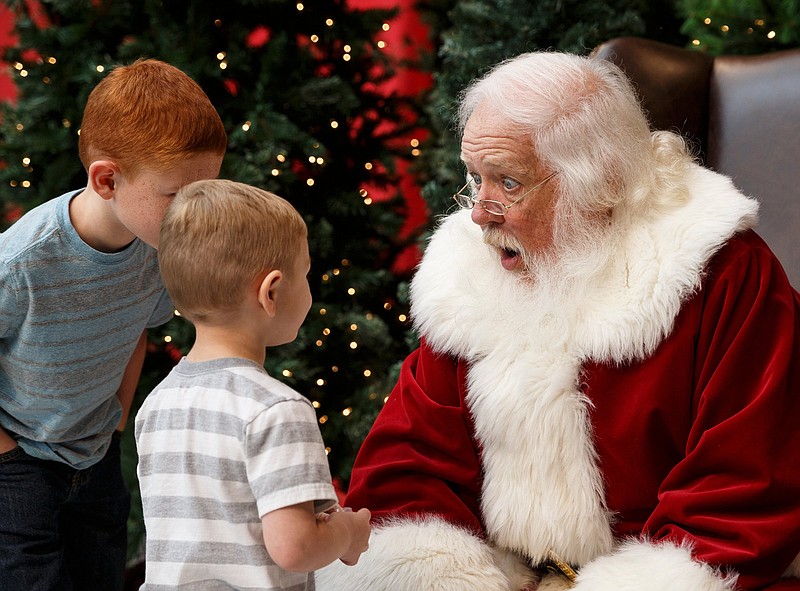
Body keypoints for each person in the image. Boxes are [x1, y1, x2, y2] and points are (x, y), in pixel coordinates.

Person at [316, 51, 800, 591]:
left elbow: (745, 487)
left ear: (600, 184)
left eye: (509, 183)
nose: (479, 211)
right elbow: (411, 470)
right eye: (475, 178)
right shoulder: (468, 275)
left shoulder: (723, 274)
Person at [0, 59, 227, 591]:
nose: (194, 213)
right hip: (17, 465)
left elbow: (136, 333)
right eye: (177, 195)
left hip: (96, 457)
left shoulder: (156, 250)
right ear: (107, 179)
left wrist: (117, 420)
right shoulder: (22, 262)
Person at [135, 179, 371, 590]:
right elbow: (295, 547)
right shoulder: (275, 409)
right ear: (272, 292)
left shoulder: (157, 404)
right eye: (306, 275)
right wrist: (347, 534)